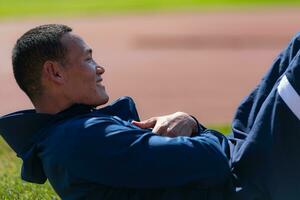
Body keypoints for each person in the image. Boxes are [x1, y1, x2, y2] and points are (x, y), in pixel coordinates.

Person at [0, 24, 299, 200]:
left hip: (244, 163)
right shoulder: (78, 138)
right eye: (88, 60)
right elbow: (211, 162)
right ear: (55, 73)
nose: (99, 68)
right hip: (251, 184)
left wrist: (193, 124)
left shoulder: (70, 135)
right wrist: (193, 127)